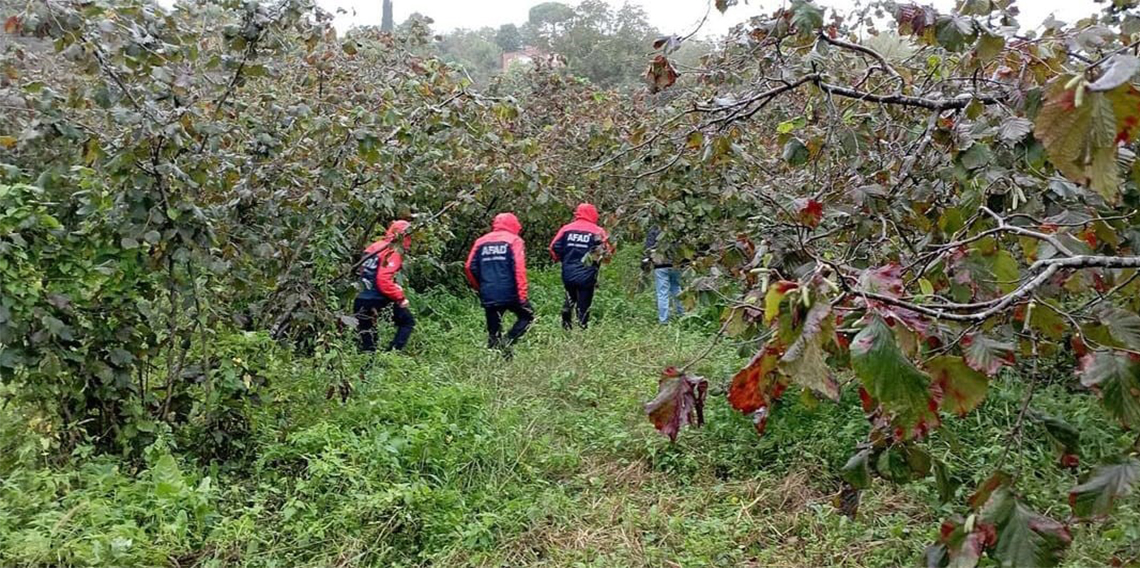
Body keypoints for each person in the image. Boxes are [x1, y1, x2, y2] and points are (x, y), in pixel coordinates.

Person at [465, 212, 534, 358]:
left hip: (488, 291)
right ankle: (508, 341)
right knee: (528, 316)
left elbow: (469, 267)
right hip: (511, 292)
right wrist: (522, 294)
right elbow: (519, 269)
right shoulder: (514, 241)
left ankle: (494, 362)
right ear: (514, 224)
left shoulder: (481, 242)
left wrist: (480, 287)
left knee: (493, 330)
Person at [353, 220, 416, 352]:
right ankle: (393, 353)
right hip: (377, 297)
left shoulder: (374, 246)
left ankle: (367, 366)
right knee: (407, 322)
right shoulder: (392, 250)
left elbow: (363, 271)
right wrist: (400, 297)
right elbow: (383, 280)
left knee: (367, 339)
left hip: (361, 297)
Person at [550, 203, 613, 329]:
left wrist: (561, 259)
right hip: (587, 274)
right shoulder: (597, 231)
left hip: (568, 272)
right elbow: (608, 251)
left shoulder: (566, 229)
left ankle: (566, 323)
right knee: (584, 303)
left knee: (570, 295)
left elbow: (554, 247)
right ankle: (582, 328)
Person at [644, 226, 683, 324]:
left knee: (662, 293)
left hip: (660, 265)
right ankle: (682, 315)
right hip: (676, 264)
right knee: (677, 289)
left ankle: (663, 320)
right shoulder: (678, 228)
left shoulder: (654, 229)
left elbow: (648, 248)